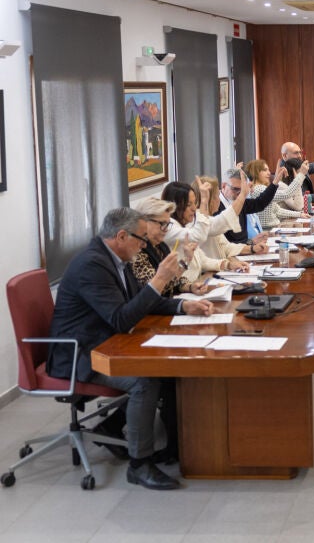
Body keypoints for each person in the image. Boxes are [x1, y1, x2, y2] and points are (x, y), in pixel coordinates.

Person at [46, 208, 213, 489]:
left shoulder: (117, 260)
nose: (144, 246)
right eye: (141, 239)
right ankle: (139, 465)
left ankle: (123, 431)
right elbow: (121, 319)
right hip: (80, 354)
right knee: (143, 381)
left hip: (106, 342)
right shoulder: (92, 265)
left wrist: (183, 306)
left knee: (167, 369)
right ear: (122, 236)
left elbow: (141, 302)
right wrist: (160, 279)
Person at [219, 165, 280, 245]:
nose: (240, 193)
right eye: (236, 189)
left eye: (243, 190)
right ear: (223, 186)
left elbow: (260, 203)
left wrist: (274, 183)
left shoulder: (239, 201)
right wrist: (251, 242)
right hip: (235, 251)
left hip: (246, 248)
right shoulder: (215, 206)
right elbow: (224, 245)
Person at [246, 159, 309, 229]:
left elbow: (277, 210)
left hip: (274, 228)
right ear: (255, 172)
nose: (269, 173)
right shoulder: (258, 189)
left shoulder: (262, 188)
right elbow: (287, 194)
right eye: (265, 170)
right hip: (268, 230)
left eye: (268, 170)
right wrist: (301, 174)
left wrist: (300, 214)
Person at [278, 134, 314, 202]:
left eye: (300, 152)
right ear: (284, 155)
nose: (300, 156)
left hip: (307, 205)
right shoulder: (283, 172)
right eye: (296, 153)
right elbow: (297, 197)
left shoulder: (298, 165)